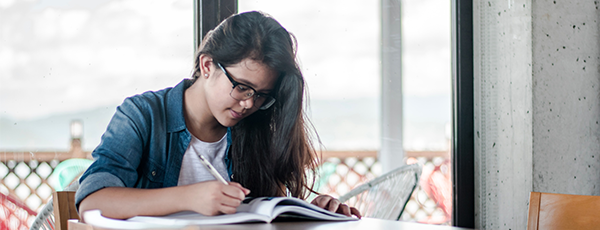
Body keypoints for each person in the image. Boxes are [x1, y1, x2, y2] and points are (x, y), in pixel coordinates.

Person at [76, 11, 361, 220]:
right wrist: (190, 197)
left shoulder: (254, 127)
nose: (249, 104)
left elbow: (267, 212)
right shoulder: (143, 115)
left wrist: (314, 211)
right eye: (242, 88)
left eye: (261, 94)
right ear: (208, 64)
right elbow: (92, 201)